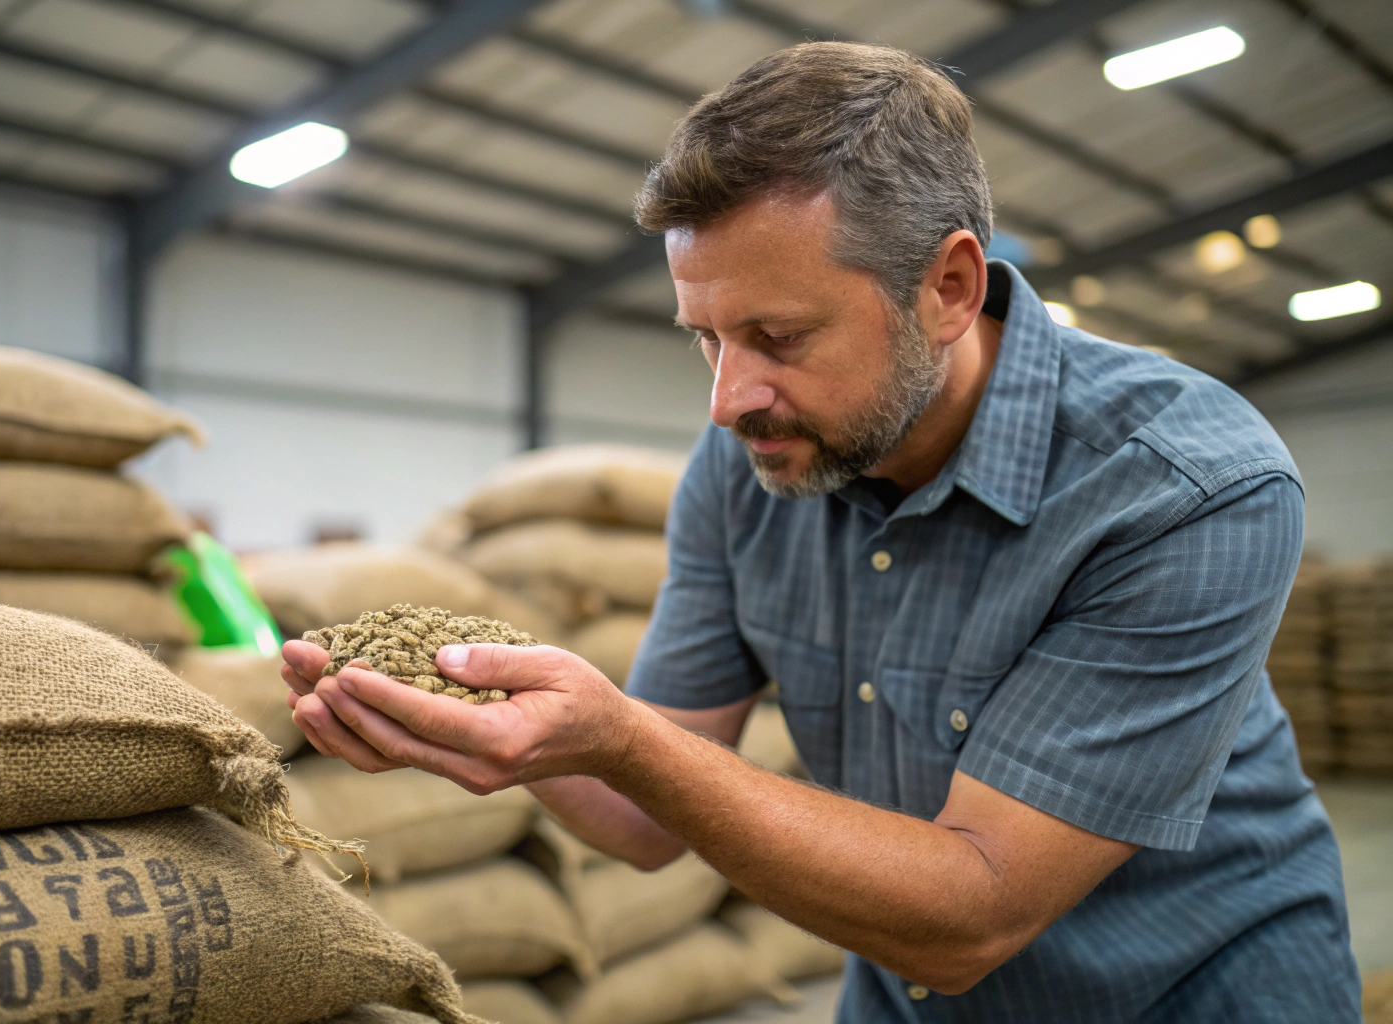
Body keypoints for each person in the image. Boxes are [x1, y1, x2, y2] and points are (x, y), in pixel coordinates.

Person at [282, 42, 1361, 1022]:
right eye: (703, 338)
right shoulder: (746, 466)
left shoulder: (1185, 485)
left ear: (947, 287)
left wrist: (619, 733)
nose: (727, 398)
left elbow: (977, 908)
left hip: (1191, 995)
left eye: (777, 335)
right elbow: (649, 818)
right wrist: (484, 729)